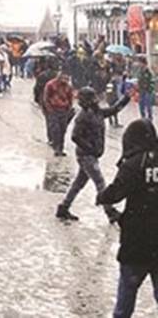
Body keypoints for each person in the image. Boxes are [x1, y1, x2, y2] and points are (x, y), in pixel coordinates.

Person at [96, 120, 158, 318]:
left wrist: (102, 196)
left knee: (126, 298)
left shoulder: (133, 163)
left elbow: (116, 192)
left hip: (136, 241)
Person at [56, 87, 131, 222]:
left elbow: (114, 109)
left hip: (91, 155)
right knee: (100, 182)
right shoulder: (83, 116)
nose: (95, 100)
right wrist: (90, 149)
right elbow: (75, 136)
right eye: (92, 98)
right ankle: (109, 211)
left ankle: (64, 207)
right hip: (86, 156)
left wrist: (126, 98)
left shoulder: (98, 112)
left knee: (79, 183)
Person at [44, 69, 77, 156]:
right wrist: (49, 109)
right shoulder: (51, 85)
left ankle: (61, 148)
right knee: (56, 130)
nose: (65, 80)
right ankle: (56, 147)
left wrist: (69, 107)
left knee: (63, 130)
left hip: (64, 110)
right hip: (54, 110)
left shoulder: (68, 87)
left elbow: (70, 97)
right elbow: (46, 97)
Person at [137, 58, 154, 122]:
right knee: (141, 105)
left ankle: (150, 117)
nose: (139, 64)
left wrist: (150, 89)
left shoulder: (149, 72)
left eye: (140, 63)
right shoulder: (139, 71)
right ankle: (143, 117)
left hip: (147, 91)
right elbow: (138, 80)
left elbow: (152, 81)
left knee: (148, 105)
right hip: (141, 90)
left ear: (144, 63)